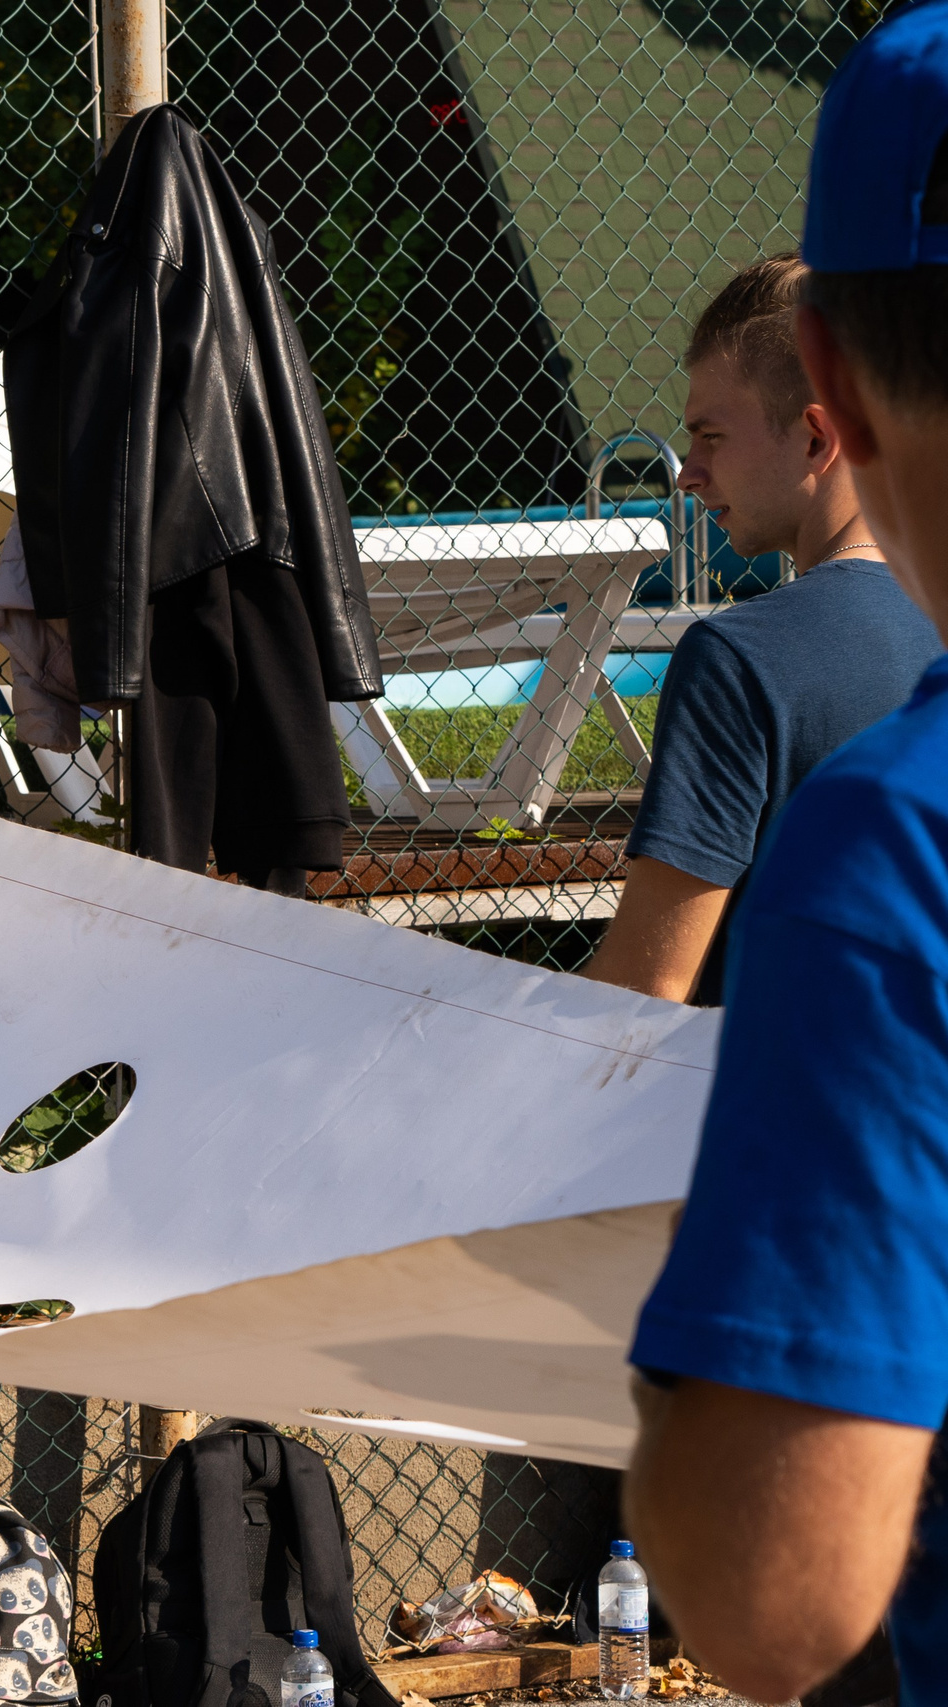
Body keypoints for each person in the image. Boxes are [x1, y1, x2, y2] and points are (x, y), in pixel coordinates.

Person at [623, 12, 948, 1704]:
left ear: (827, 392)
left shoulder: (883, 834)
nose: (690, 471)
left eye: (711, 434)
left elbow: (771, 1592)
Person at [581, 254, 936, 1004]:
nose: (688, 473)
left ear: (815, 437)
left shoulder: (741, 660)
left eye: (710, 436)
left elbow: (643, 991)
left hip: (771, 1073)